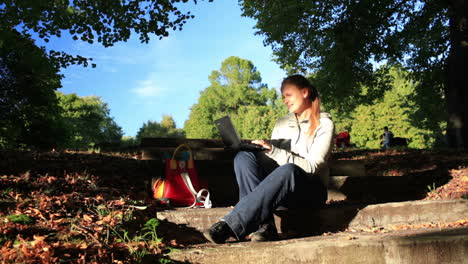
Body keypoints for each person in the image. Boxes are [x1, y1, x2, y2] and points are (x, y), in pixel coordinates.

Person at [203, 74, 334, 244]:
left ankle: (228, 225)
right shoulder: (281, 123)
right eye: (283, 97)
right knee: (243, 157)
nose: (285, 101)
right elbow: (273, 162)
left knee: (289, 169)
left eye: (288, 95)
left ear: (304, 92)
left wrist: (274, 151)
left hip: (310, 191)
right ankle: (265, 227)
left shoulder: (324, 124)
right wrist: (258, 150)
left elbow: (312, 167)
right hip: (283, 191)